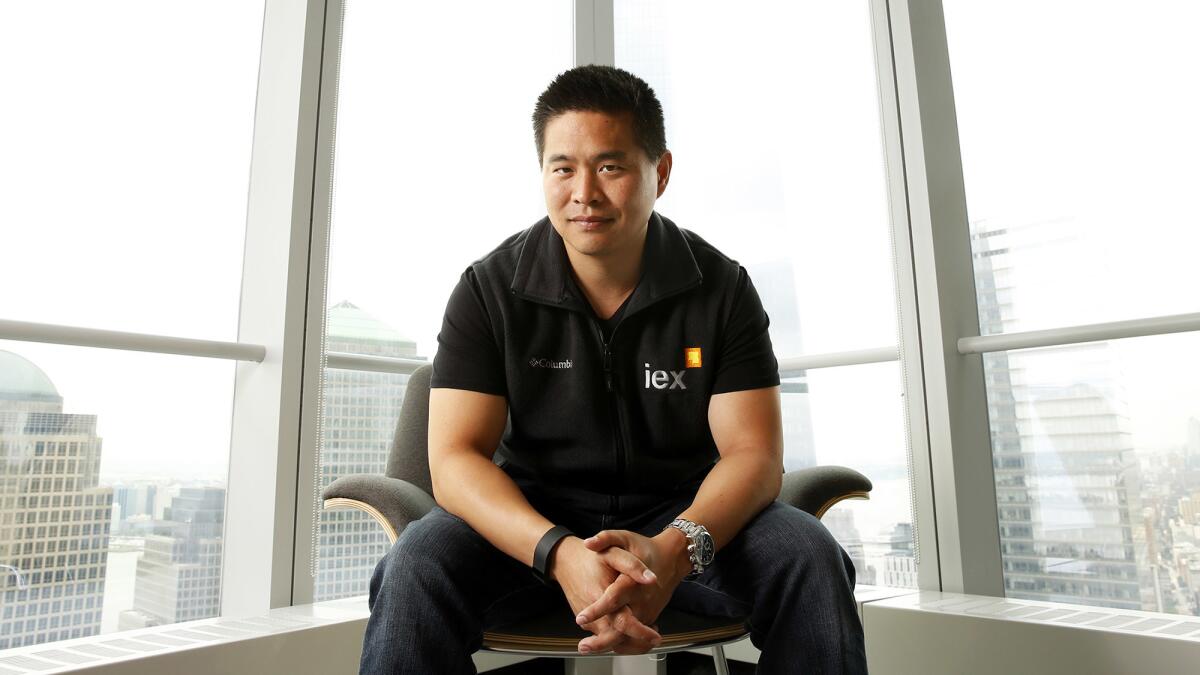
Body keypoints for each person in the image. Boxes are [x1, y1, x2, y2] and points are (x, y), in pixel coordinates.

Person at [358, 65, 867, 674]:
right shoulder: (487, 289)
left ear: (661, 172)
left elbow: (753, 455)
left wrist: (672, 552)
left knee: (810, 555)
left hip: (684, 515)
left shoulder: (722, 288)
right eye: (562, 168)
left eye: (610, 166)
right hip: (530, 521)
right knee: (414, 565)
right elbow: (455, 460)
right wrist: (557, 551)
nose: (584, 194)